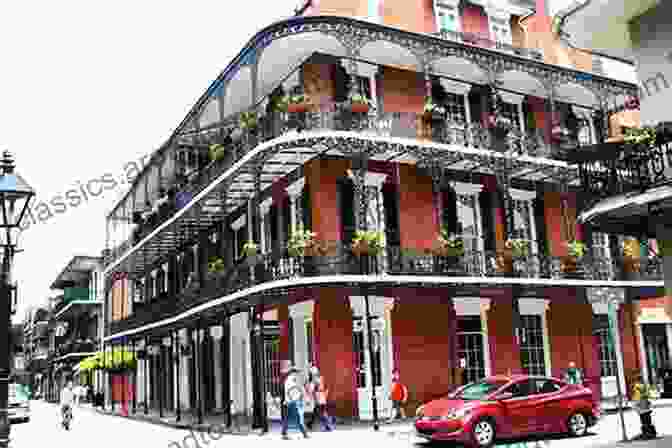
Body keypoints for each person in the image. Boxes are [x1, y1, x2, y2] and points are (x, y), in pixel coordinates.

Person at [282, 367, 309, 440]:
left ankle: (284, 434)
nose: (298, 374)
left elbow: (291, 391)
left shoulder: (289, 380)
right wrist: (299, 396)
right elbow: (292, 391)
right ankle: (305, 434)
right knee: (299, 418)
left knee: (287, 419)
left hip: (289, 402)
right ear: (293, 373)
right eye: (297, 372)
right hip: (293, 402)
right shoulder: (291, 380)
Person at [632, 374, 657, 439]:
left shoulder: (637, 387)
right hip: (646, 407)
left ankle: (647, 433)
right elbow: (648, 395)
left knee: (644, 422)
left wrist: (636, 407)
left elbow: (637, 398)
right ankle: (651, 433)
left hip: (642, 408)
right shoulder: (644, 386)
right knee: (648, 421)